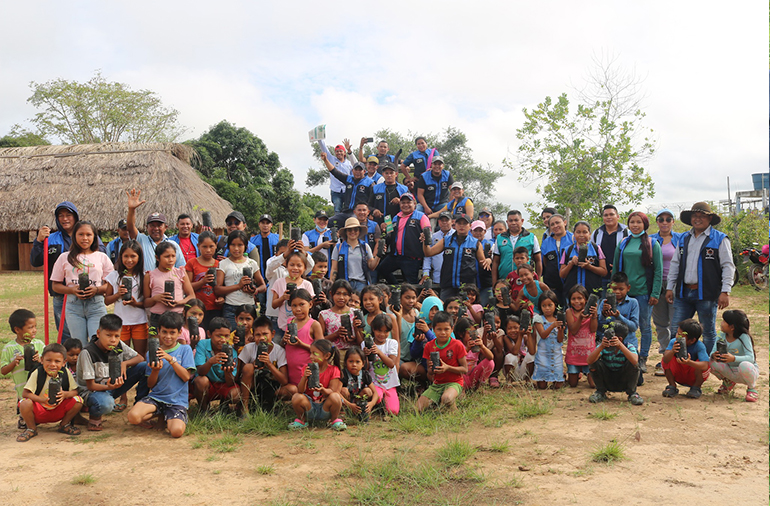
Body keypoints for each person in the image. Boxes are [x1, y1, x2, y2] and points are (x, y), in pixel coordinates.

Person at [665, 202, 735, 355]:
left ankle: (707, 362)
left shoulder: (719, 239)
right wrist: (670, 287)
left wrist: (725, 291)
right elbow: (675, 263)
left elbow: (728, 266)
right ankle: (676, 360)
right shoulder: (684, 238)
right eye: (694, 216)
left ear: (709, 219)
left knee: (708, 331)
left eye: (702, 216)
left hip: (707, 294)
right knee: (677, 330)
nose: (697, 219)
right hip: (683, 293)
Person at [31, 201, 106, 341]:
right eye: (61, 215)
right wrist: (39, 241)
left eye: (68, 215)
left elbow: (100, 259)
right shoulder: (50, 239)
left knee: (96, 338)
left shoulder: (89, 237)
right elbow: (36, 261)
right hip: (61, 295)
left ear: (75, 217)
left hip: (91, 295)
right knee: (67, 337)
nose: (64, 219)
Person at [127, 312, 194, 438]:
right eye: (164, 332)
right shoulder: (152, 353)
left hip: (176, 401)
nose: (168, 336)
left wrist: (170, 359)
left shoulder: (185, 349)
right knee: (133, 417)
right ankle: (160, 414)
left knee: (176, 431)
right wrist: (155, 370)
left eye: (172, 332)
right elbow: (150, 385)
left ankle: (169, 416)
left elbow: (186, 377)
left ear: (179, 332)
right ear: (159, 331)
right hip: (156, 398)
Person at [76, 314, 147, 431]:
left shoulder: (118, 346)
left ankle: (140, 405)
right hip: (92, 392)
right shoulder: (88, 352)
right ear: (98, 333)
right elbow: (90, 386)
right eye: (108, 335)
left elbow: (140, 358)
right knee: (107, 404)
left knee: (144, 367)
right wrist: (109, 387)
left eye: (116, 336)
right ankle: (94, 417)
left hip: (113, 386)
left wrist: (125, 363)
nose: (113, 340)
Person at [613, 212, 663, 375]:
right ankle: (623, 354)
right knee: (622, 324)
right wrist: (613, 289)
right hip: (623, 293)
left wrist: (655, 293)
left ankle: (642, 358)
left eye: (638, 222)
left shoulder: (652, 243)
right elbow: (616, 268)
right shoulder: (623, 243)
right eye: (632, 222)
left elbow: (658, 270)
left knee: (644, 326)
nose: (635, 225)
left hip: (643, 292)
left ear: (645, 225)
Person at [50, 221, 114, 346]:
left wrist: (97, 289)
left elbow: (111, 285)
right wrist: (71, 290)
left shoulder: (102, 257)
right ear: (74, 236)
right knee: (79, 345)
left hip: (96, 305)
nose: (85, 238)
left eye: (88, 235)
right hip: (74, 306)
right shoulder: (64, 257)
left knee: (98, 343)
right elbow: (55, 285)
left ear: (94, 237)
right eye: (81, 234)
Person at [104, 240, 148, 409]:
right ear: (120, 257)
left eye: (133, 256)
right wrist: (118, 294)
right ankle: (122, 396)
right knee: (118, 358)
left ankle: (141, 395)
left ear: (139, 257)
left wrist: (135, 303)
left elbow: (147, 302)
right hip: (120, 325)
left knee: (140, 358)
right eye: (126, 256)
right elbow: (106, 300)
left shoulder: (143, 275)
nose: (129, 260)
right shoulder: (114, 275)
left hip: (139, 322)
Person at [17, 343, 83, 442]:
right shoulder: (37, 373)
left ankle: (64, 424)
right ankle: (31, 428)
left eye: (57, 361)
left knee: (78, 400)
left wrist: (65, 394)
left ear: (64, 362)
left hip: (58, 410)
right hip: (40, 411)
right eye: (48, 360)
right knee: (24, 403)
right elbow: (25, 393)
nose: (52, 364)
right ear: (42, 360)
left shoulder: (65, 373)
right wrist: (41, 400)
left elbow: (75, 391)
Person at [423, 214, 492, 303]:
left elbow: (483, 263)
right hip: (448, 285)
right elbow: (428, 253)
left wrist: (489, 260)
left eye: (465, 223)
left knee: (466, 310)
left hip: (467, 287)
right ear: (455, 225)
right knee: (446, 309)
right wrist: (425, 242)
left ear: (470, 226)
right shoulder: (446, 240)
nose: (462, 226)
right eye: (459, 223)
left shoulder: (475, 243)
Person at [650, 209, 683, 376]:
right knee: (660, 322)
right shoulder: (650, 240)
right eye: (661, 219)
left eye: (668, 219)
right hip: (657, 285)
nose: (664, 222)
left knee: (675, 323)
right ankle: (665, 355)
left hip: (675, 284)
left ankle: (677, 355)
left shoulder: (680, 239)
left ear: (673, 221)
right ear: (657, 222)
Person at [238, 315, 293, 413]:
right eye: (258, 335)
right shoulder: (249, 348)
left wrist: (269, 364)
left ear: (273, 334)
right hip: (253, 386)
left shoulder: (279, 351)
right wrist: (253, 366)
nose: (262, 338)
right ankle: (245, 407)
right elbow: (240, 373)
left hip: (272, 386)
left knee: (292, 389)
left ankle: (271, 403)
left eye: (265, 334)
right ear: (253, 335)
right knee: (248, 367)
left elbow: (284, 380)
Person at [1, 309, 45, 430]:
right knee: (25, 404)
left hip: (38, 385)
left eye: (35, 326)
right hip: (22, 387)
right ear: (17, 330)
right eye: (30, 327)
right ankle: (24, 418)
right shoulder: (9, 348)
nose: (34, 330)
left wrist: (40, 360)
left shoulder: (39, 344)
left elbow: (49, 363)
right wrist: (13, 363)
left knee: (39, 403)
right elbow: (3, 371)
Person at [415, 311, 467, 412]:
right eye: (439, 329)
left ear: (452, 329)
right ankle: (440, 401)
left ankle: (452, 406)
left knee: (447, 399)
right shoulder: (429, 346)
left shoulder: (457, 345)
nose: (443, 332)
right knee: (417, 409)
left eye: (446, 329)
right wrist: (431, 369)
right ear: (433, 329)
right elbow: (429, 373)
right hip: (437, 384)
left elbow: (465, 369)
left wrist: (447, 368)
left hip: (454, 382)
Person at [288, 339, 345, 430]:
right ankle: (302, 420)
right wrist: (304, 377)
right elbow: (300, 390)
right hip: (310, 406)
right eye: (310, 353)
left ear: (327, 356)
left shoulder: (334, 370)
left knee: (336, 396)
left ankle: (333, 420)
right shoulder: (306, 368)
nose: (311, 356)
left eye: (315, 353)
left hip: (325, 407)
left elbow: (333, 390)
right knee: (296, 397)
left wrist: (323, 390)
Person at [214, 230, 265, 329]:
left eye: (240, 245)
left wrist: (255, 290)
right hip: (231, 307)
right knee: (232, 336)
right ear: (228, 246)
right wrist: (238, 286)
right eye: (233, 245)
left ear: (246, 246)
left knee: (249, 336)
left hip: (249, 307)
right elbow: (217, 289)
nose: (236, 248)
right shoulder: (223, 264)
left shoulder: (251, 263)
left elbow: (263, 286)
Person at [125, 189, 185, 273]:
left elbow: (181, 268)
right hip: (146, 280)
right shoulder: (142, 240)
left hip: (169, 280)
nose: (156, 228)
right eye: (152, 225)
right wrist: (132, 209)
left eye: (159, 225)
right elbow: (130, 227)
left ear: (165, 227)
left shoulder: (173, 245)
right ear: (147, 227)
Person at [378, 193, 431, 285]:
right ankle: (397, 287)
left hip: (411, 257)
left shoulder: (421, 216)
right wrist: (384, 229)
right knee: (382, 269)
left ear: (414, 204)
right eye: (403, 203)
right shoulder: (396, 217)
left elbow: (428, 231)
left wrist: (424, 235)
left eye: (408, 202)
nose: (406, 205)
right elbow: (390, 235)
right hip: (395, 255)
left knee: (411, 283)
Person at [587, 321, 643, 405]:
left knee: (634, 364)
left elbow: (635, 361)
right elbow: (589, 361)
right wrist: (601, 347)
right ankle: (600, 391)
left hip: (623, 379)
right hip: (607, 378)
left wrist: (620, 346)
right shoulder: (604, 347)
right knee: (594, 363)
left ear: (619, 339)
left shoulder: (628, 346)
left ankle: (632, 393)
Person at [143, 242, 195, 332]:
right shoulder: (150, 275)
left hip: (177, 316)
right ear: (157, 258)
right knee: (156, 340)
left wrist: (178, 302)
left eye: (173, 256)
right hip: (157, 317)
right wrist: (156, 298)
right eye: (167, 256)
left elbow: (191, 296)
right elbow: (146, 302)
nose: (171, 260)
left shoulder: (180, 273)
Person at [265, 240, 314, 333]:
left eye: (298, 265)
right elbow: (270, 267)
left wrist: (303, 252)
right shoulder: (275, 273)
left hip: (301, 324)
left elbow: (310, 265)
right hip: (279, 321)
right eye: (291, 265)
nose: (295, 268)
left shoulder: (306, 283)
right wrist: (285, 254)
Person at [710, 310, 758, 402]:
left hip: (745, 371)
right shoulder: (720, 335)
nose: (721, 323)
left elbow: (751, 358)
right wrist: (714, 355)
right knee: (710, 362)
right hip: (730, 370)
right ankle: (728, 381)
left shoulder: (744, 337)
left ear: (732, 327)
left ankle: (752, 388)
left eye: (724, 321)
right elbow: (712, 352)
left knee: (744, 365)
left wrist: (733, 358)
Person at [280, 289, 324, 390]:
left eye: (301, 304)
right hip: (291, 369)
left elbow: (321, 350)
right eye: (294, 306)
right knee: (292, 389)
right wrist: (284, 340)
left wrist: (301, 344)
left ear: (310, 304)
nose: (298, 309)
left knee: (306, 390)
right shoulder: (290, 321)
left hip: (307, 370)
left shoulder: (314, 324)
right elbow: (283, 345)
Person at [193, 317, 240, 412]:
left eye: (226, 336)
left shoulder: (232, 351)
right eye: (219, 336)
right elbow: (200, 371)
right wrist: (211, 361)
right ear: (209, 334)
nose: (223, 340)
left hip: (223, 384)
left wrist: (228, 372)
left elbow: (230, 383)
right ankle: (204, 410)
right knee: (200, 381)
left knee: (236, 395)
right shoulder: (203, 344)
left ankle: (224, 405)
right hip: (208, 384)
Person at [660, 318, 710, 399]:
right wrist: (672, 351)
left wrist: (689, 362)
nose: (677, 336)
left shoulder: (699, 346)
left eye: (681, 335)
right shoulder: (673, 342)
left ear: (692, 340)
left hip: (692, 375)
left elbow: (705, 366)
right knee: (667, 357)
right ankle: (672, 386)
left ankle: (696, 388)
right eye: (677, 333)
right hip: (679, 373)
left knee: (701, 363)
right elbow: (665, 360)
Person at [492, 210, 542, 288]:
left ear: (522, 221)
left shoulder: (531, 237)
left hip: (525, 281)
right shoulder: (500, 238)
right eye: (510, 221)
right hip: (504, 280)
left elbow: (538, 260)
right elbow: (495, 262)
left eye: (516, 220)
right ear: (507, 222)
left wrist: (538, 281)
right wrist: (494, 284)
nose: (513, 223)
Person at [323, 153, 374, 228]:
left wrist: (371, 213)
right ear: (352, 171)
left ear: (364, 171)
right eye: (356, 170)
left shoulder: (370, 183)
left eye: (360, 170)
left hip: (358, 213)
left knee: (352, 225)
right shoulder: (348, 179)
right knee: (328, 222)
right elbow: (334, 172)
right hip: (345, 212)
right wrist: (325, 160)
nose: (357, 172)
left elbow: (372, 200)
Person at [363, 313, 400, 415]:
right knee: (377, 397)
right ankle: (377, 404)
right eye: (379, 331)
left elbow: (391, 364)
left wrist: (379, 352)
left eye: (386, 331)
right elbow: (365, 367)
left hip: (390, 384)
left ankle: (385, 403)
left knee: (393, 411)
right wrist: (365, 355)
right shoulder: (366, 343)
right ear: (373, 329)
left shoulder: (392, 343)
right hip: (374, 383)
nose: (382, 334)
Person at [559, 221, 607, 300]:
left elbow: (604, 271)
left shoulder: (596, 248)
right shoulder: (568, 250)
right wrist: (571, 264)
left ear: (589, 234)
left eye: (585, 232)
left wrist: (589, 267)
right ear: (574, 234)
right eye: (578, 232)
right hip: (572, 296)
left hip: (592, 294)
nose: (581, 235)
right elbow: (562, 274)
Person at [330, 217, 379, 293]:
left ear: (359, 231)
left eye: (355, 229)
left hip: (361, 283)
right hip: (345, 284)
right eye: (350, 230)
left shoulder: (365, 246)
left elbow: (371, 266)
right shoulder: (338, 247)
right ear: (346, 232)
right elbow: (334, 269)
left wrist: (379, 255)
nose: (353, 232)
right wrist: (331, 284)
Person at [185, 231, 224, 327]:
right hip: (196, 309)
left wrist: (222, 298)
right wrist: (203, 281)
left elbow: (223, 286)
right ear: (198, 246)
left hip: (215, 308)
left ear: (216, 245)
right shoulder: (192, 263)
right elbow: (187, 287)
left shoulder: (220, 264)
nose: (208, 250)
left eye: (211, 246)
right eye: (204, 247)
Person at [565, 285, 598, 388]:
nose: (577, 301)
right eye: (573, 299)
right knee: (573, 384)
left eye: (580, 298)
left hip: (589, 354)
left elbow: (593, 330)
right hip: (574, 355)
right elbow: (573, 330)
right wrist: (580, 318)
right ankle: (576, 373)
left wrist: (594, 316)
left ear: (586, 300)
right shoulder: (569, 312)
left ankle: (586, 372)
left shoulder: (591, 312)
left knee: (593, 384)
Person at [531, 291, 565, 389]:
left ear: (555, 305)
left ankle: (562, 376)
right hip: (543, 354)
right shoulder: (538, 319)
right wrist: (553, 326)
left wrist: (561, 330)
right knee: (542, 385)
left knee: (558, 385)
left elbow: (560, 340)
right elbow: (543, 335)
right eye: (544, 305)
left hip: (556, 353)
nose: (547, 308)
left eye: (550, 305)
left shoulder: (558, 319)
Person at [592, 205, 629, 290]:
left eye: (611, 214)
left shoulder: (626, 233)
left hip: (620, 278)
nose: (609, 217)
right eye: (606, 215)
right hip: (600, 277)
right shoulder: (597, 233)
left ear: (618, 217)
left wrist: (618, 267)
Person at [540, 214, 573, 308]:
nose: (555, 226)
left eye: (558, 223)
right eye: (552, 224)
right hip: (553, 285)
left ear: (565, 223)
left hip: (570, 283)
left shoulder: (573, 238)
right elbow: (544, 262)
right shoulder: (546, 242)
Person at [596, 272, 640, 343]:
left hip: (627, 343)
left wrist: (618, 316)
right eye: (614, 289)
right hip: (608, 343)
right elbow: (598, 327)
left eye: (621, 289)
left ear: (628, 288)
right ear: (610, 287)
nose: (617, 292)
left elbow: (634, 327)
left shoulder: (633, 303)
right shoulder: (604, 303)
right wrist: (603, 315)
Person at [340, 347, 379, 422]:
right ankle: (344, 412)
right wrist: (349, 405)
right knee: (343, 390)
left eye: (357, 362)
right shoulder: (343, 374)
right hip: (346, 402)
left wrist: (371, 404)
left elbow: (375, 393)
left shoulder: (365, 374)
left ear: (363, 363)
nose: (354, 364)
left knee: (368, 391)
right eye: (351, 361)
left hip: (358, 401)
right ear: (345, 362)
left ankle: (363, 411)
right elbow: (337, 392)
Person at [421, 212, 455, 296]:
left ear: (452, 221)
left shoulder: (456, 236)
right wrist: (426, 273)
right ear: (439, 222)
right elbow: (428, 257)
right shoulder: (433, 237)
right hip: (437, 277)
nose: (444, 222)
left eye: (447, 220)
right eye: (442, 220)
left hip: (452, 278)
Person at [455, 317, 494, 390]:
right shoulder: (458, 344)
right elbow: (455, 361)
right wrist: (467, 349)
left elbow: (491, 357)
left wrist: (482, 346)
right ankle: (462, 389)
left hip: (473, 376)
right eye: (469, 333)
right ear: (461, 334)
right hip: (461, 378)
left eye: (474, 333)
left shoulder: (476, 345)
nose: (472, 336)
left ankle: (479, 385)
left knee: (490, 362)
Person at [318, 140, 353, 213]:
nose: (339, 153)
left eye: (341, 151)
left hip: (346, 190)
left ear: (344, 152)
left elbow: (352, 177)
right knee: (337, 209)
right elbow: (324, 148)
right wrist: (319, 139)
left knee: (348, 209)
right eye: (337, 151)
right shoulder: (332, 159)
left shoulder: (349, 164)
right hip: (336, 190)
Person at [502, 315, 535, 383]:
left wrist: (528, 334)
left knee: (531, 356)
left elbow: (532, 352)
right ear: (506, 329)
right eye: (509, 328)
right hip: (513, 370)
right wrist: (520, 335)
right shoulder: (506, 338)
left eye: (516, 328)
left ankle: (527, 379)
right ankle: (509, 380)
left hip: (523, 369)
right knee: (509, 356)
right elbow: (515, 352)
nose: (513, 330)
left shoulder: (525, 337)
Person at [471, 220, 494, 306]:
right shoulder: (468, 244)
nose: (478, 233)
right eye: (475, 230)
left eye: (480, 230)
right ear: (471, 232)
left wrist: (490, 259)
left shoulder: (491, 244)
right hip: (471, 282)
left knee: (487, 307)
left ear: (485, 231)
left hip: (486, 282)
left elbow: (496, 258)